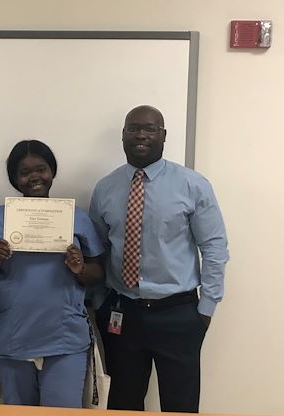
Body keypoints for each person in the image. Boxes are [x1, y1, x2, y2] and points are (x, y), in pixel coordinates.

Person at [89, 105, 229, 412]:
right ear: (123, 136)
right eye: (133, 128)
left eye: (150, 129)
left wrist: (206, 307)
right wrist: (100, 301)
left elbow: (215, 247)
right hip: (122, 312)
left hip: (178, 312)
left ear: (163, 135)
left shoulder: (193, 185)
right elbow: (97, 249)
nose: (141, 135)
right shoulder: (105, 188)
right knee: (123, 402)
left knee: (180, 405)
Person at [0, 139, 104, 408]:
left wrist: (80, 269)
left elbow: (98, 272)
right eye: (24, 172)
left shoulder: (76, 217)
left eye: (41, 169)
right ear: (14, 179)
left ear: (52, 171)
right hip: (10, 337)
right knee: (18, 411)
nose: (34, 177)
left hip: (63, 338)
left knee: (62, 411)